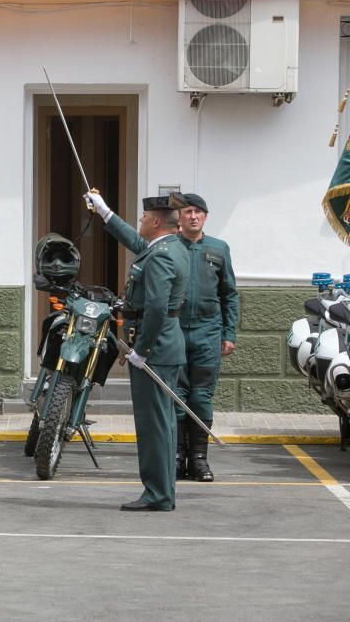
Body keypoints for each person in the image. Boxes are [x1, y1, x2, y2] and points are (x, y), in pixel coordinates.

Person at [85, 191, 189, 511]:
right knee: (163, 423)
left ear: (156, 222)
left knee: (153, 424)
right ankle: (162, 491)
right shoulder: (171, 247)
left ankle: (158, 494)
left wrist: (141, 349)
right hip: (166, 346)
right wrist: (105, 213)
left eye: (143, 218)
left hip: (155, 349)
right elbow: (135, 241)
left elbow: (157, 307)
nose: (140, 222)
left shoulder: (160, 255)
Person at [173, 193, 238, 482]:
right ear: (180, 217)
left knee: (201, 396)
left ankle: (198, 459)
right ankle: (176, 457)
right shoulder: (170, 247)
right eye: (188, 211)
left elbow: (229, 295)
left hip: (207, 331)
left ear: (206, 217)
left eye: (198, 212)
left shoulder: (219, 249)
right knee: (175, 396)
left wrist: (229, 333)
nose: (193, 216)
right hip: (174, 330)